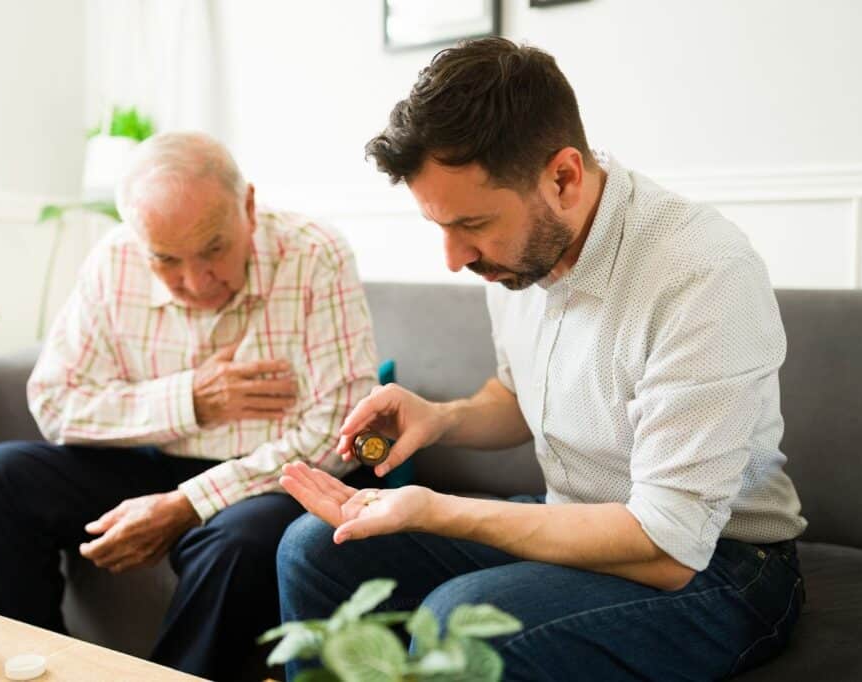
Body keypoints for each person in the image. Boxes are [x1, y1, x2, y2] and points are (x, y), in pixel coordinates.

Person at [276, 38, 806, 681]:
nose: (452, 258)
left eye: (471, 224)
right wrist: (440, 418)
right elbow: (515, 396)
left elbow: (668, 547)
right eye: (438, 226)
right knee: (314, 549)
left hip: (721, 561)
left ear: (563, 177)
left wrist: (436, 508)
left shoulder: (700, 273)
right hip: (574, 520)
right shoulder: (518, 260)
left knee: (461, 618)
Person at [0, 131, 378, 680]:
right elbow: (57, 402)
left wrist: (187, 503)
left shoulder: (315, 254)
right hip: (153, 460)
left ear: (247, 205)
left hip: (270, 480)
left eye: (213, 249)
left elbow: (333, 435)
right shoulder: (114, 261)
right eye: (166, 261)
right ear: (136, 235)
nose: (195, 282)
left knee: (239, 544)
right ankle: (20, 671)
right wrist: (191, 400)